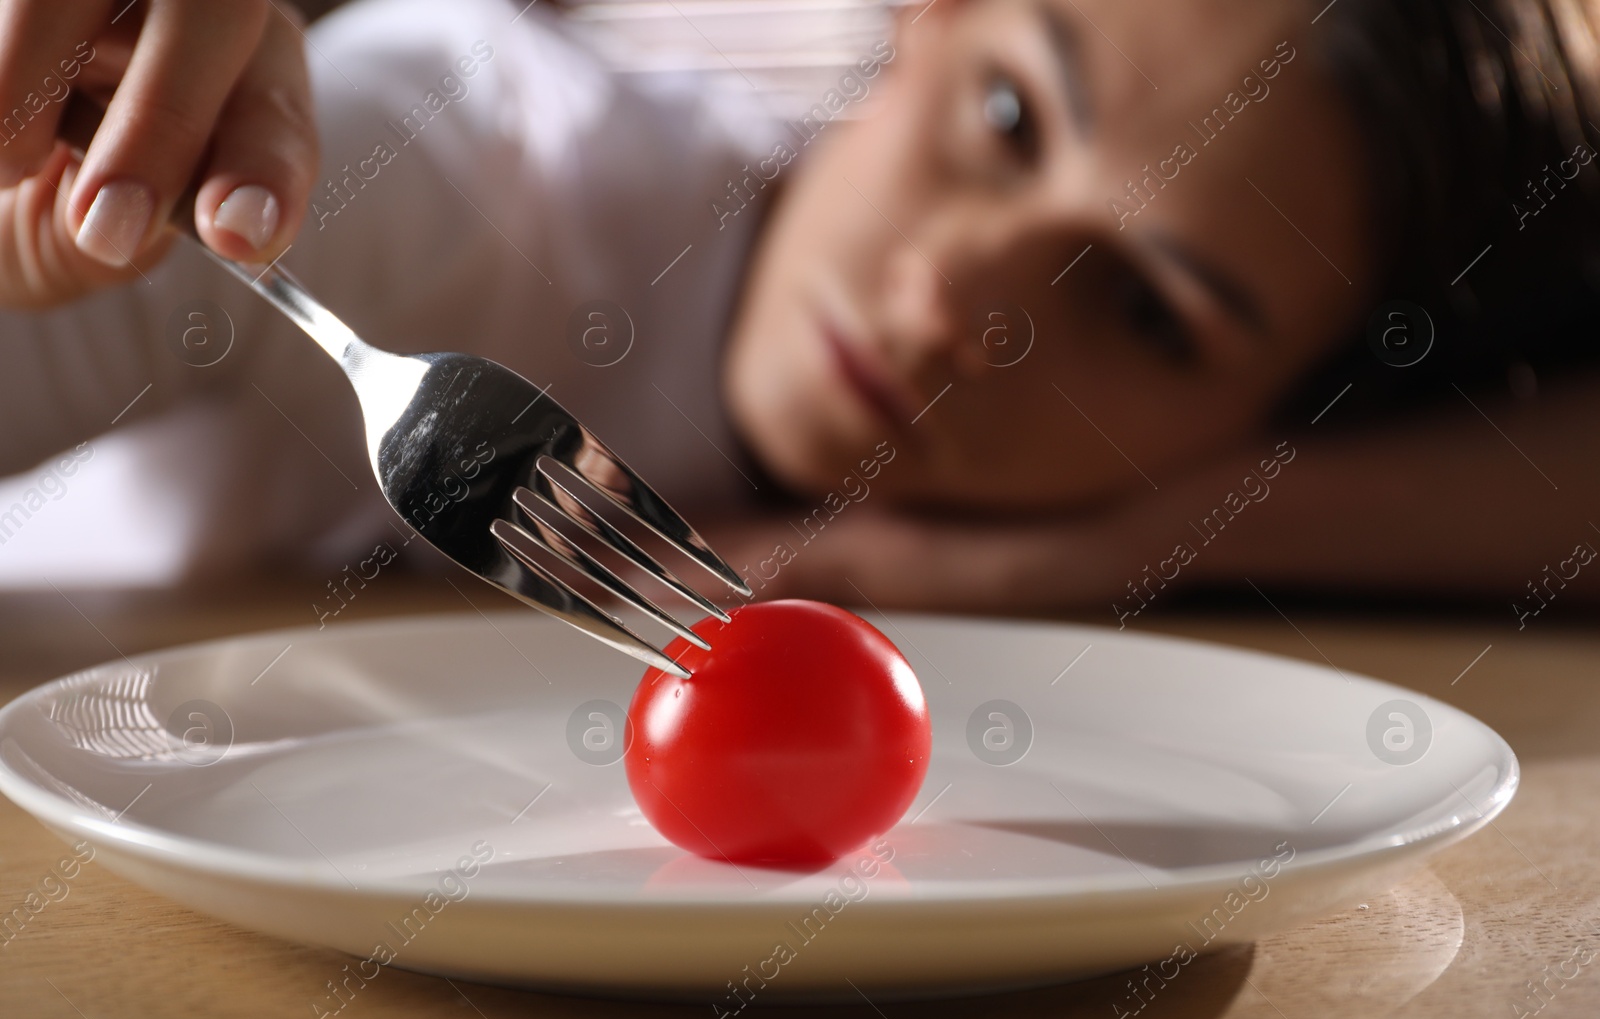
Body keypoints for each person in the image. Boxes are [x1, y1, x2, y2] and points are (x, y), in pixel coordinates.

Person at [0, 0, 1595, 630]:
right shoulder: (448, 155)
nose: (965, 303)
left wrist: (1129, 541)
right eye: (1011, 118)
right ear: (928, 21)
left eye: (1153, 313)